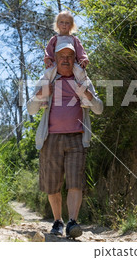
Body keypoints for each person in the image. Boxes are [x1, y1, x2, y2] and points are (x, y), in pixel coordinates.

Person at [27, 42, 103, 238]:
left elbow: (99, 108)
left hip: (77, 138)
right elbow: (31, 109)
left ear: (75, 59)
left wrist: (86, 94)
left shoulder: (83, 81)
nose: (66, 59)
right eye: (62, 56)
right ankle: (58, 221)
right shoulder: (48, 80)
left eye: (70, 56)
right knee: (52, 184)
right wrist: (41, 95)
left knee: (75, 182)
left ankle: (72, 223)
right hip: (50, 139)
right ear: (55, 59)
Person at [38, 11, 92, 109]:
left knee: (81, 73)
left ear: (71, 25)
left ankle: (84, 98)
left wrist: (83, 59)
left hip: (72, 64)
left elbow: (80, 50)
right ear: (57, 24)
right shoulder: (54, 39)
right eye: (62, 22)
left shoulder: (74, 39)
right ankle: (44, 98)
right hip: (57, 63)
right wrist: (48, 59)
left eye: (67, 23)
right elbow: (49, 50)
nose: (64, 25)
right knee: (47, 73)